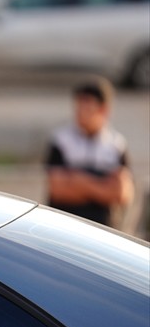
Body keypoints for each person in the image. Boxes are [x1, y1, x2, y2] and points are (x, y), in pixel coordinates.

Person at [45, 76, 134, 228]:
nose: (80, 113)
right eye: (78, 107)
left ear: (103, 110)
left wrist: (79, 181)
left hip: (105, 229)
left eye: (87, 108)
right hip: (65, 226)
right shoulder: (61, 141)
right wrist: (102, 186)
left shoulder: (116, 145)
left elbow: (122, 194)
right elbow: (57, 190)